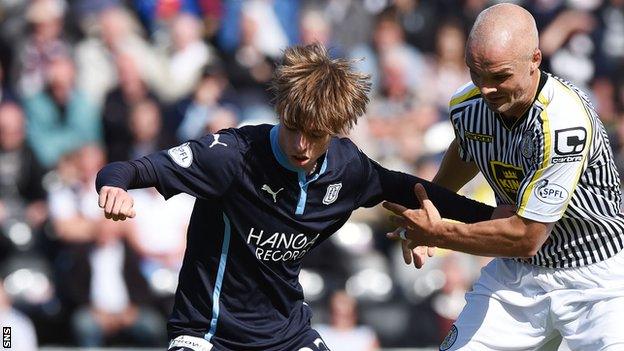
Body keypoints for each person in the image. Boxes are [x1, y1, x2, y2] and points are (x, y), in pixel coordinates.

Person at [95, 43, 495, 351]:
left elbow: (414, 191)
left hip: (286, 335)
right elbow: (132, 168)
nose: (302, 145)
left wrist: (496, 219)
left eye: (316, 134)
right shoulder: (232, 156)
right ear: (281, 110)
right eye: (293, 127)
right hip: (208, 333)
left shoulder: (348, 170)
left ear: (336, 130)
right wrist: (112, 186)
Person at [383, 4, 624, 350]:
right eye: (475, 74)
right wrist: (430, 206)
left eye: (499, 77)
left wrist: (439, 233)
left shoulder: (564, 123)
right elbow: (469, 147)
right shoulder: (467, 106)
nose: (485, 90)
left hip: (596, 282)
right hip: (517, 277)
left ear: (535, 60)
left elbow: (526, 236)